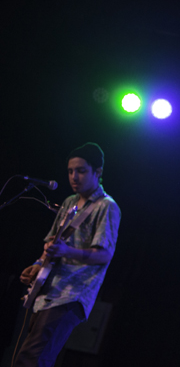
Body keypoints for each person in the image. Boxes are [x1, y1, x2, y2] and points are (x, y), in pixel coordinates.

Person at [14, 142, 120, 367]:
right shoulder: (69, 202)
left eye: (81, 171)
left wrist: (67, 251)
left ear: (98, 172)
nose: (74, 177)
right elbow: (52, 242)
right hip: (49, 289)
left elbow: (104, 255)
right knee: (27, 356)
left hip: (72, 294)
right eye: (70, 171)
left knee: (33, 358)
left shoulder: (106, 206)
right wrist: (37, 265)